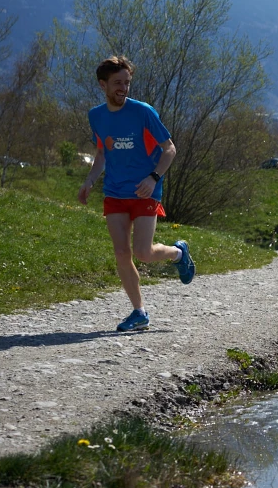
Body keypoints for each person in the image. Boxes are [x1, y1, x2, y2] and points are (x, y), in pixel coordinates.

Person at [77, 55, 195, 332]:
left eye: (127, 83)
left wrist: (154, 178)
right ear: (102, 85)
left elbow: (170, 149)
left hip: (145, 190)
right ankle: (139, 312)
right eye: (118, 83)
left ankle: (178, 253)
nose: (124, 88)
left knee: (143, 252)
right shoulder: (96, 115)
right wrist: (90, 180)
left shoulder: (143, 112)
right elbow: (102, 153)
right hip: (115, 192)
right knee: (121, 252)